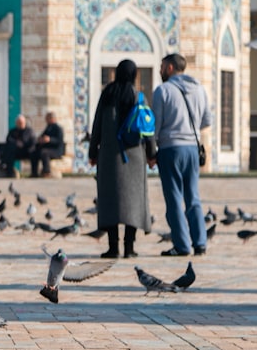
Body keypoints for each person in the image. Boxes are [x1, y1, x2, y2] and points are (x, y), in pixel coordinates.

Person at [89, 59, 153, 259]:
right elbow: (147, 128)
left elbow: (97, 125)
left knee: (110, 201)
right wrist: (151, 154)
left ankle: (113, 247)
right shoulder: (137, 96)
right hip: (133, 156)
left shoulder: (107, 94)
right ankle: (129, 248)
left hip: (109, 155)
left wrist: (93, 152)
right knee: (133, 201)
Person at [150, 53, 212, 257]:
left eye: (161, 67)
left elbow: (155, 126)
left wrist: (152, 150)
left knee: (174, 198)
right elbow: (206, 121)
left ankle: (182, 245)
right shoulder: (199, 89)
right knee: (193, 196)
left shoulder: (163, 90)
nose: (159, 71)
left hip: (170, 149)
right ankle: (200, 242)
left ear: (169, 68)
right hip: (193, 149)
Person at [31, 112, 65, 178]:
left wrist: (50, 140)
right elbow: (42, 136)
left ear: (52, 119)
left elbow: (59, 141)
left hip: (56, 150)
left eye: (47, 118)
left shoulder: (58, 129)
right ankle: (34, 173)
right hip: (47, 149)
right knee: (33, 153)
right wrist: (40, 139)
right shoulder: (48, 128)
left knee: (44, 153)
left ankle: (46, 172)